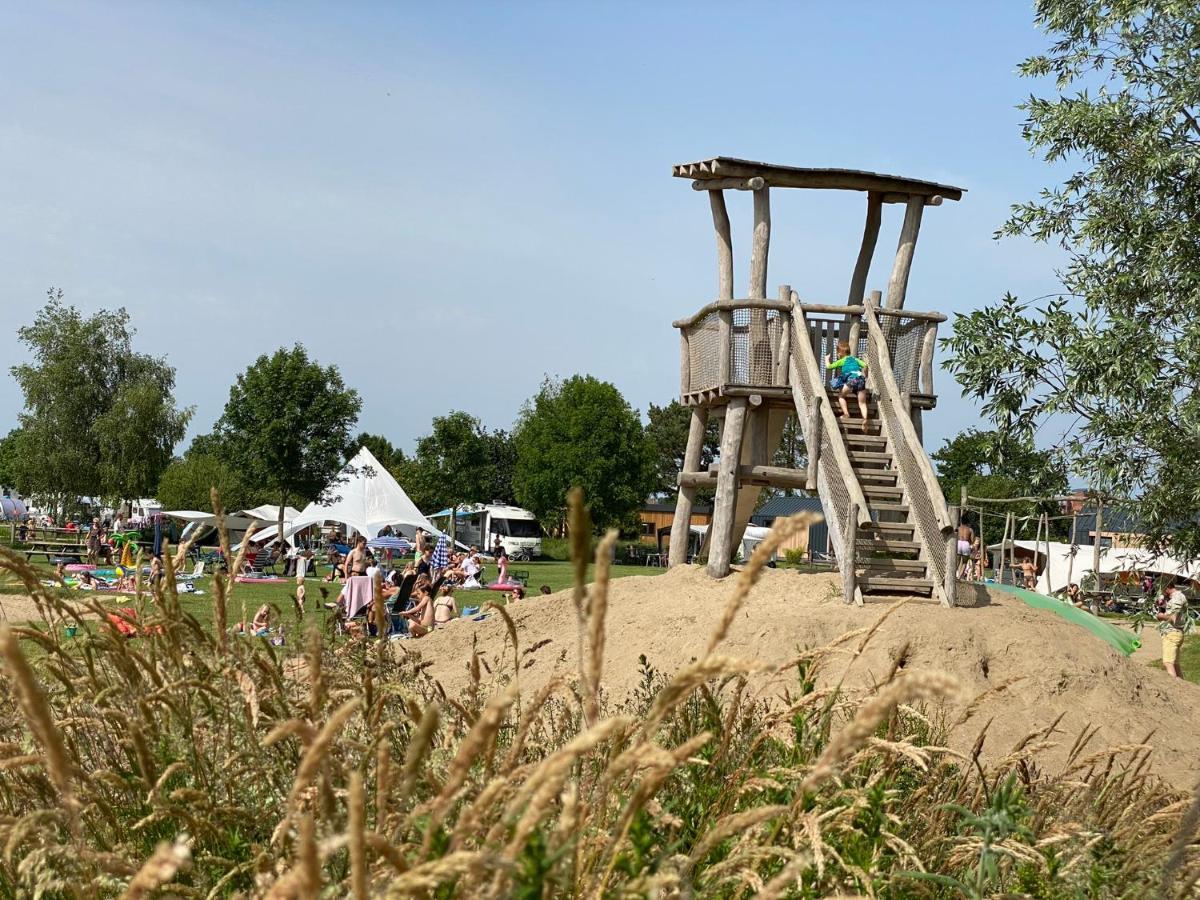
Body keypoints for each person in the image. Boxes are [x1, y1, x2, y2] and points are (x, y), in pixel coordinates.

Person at [824, 340, 869, 425]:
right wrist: (866, 375)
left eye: (838, 352)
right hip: (861, 379)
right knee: (862, 403)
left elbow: (829, 366)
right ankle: (865, 419)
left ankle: (846, 414)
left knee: (841, 396)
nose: (838, 354)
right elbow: (865, 366)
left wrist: (826, 359)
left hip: (852, 381)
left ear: (840, 353)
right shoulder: (855, 359)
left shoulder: (843, 360)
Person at [1156, 584, 1190, 679]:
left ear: (1167, 587)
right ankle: (1183, 688)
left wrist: (1161, 616)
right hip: (1176, 633)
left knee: (1168, 663)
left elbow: (1173, 617)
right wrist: (1162, 605)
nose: (1161, 592)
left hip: (1172, 633)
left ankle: (1175, 688)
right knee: (1175, 664)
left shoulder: (1176, 598)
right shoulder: (1178, 597)